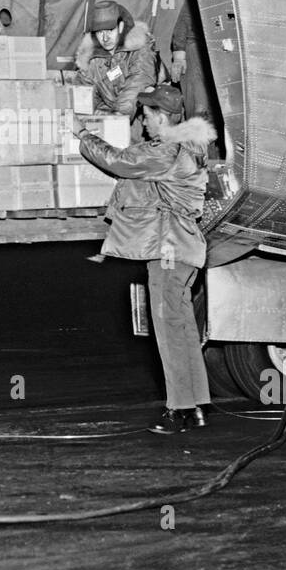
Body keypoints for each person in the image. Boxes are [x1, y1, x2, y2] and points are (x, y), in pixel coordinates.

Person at [72, 84, 216, 434]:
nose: (144, 122)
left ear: (163, 117)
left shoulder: (167, 151)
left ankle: (177, 408)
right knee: (182, 329)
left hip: (168, 250)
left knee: (168, 330)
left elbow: (120, 162)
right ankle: (197, 405)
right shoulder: (188, 148)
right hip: (181, 250)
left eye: (148, 115)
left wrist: (84, 135)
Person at [74, 0, 158, 118]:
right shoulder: (91, 59)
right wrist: (96, 115)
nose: (105, 38)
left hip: (146, 113)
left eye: (110, 30)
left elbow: (137, 84)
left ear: (121, 26)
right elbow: (86, 95)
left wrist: (118, 115)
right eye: (100, 32)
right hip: (115, 113)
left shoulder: (139, 49)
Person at [168, 0, 212, 122]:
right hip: (195, 48)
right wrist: (179, 57)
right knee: (198, 108)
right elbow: (183, 22)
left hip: (219, 49)